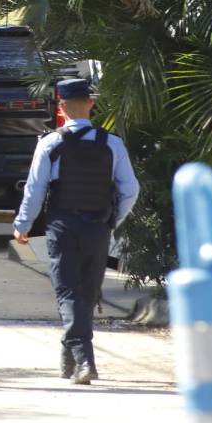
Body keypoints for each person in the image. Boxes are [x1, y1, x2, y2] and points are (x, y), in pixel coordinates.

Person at [13, 78, 140, 385]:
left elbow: (35, 189)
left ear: (61, 107)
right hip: (98, 228)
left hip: (63, 227)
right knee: (85, 294)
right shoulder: (112, 143)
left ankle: (83, 361)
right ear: (91, 104)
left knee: (69, 293)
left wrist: (22, 226)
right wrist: (113, 221)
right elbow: (131, 190)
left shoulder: (50, 143)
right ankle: (69, 359)